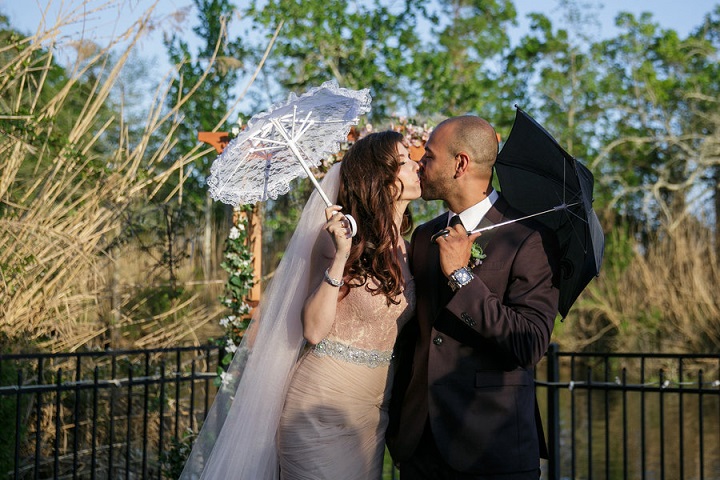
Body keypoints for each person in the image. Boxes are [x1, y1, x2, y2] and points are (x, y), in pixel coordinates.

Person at [179, 130, 420, 480]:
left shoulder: (408, 251)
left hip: (371, 413)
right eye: (403, 162)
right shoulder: (338, 239)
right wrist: (339, 258)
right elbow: (313, 329)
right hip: (320, 407)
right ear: (378, 178)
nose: (415, 166)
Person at [386, 115, 561, 480]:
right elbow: (415, 338)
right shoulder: (423, 236)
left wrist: (462, 277)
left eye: (430, 156)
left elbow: (528, 343)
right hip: (420, 446)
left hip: (492, 448)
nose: (421, 163)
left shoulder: (530, 239)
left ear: (460, 163)